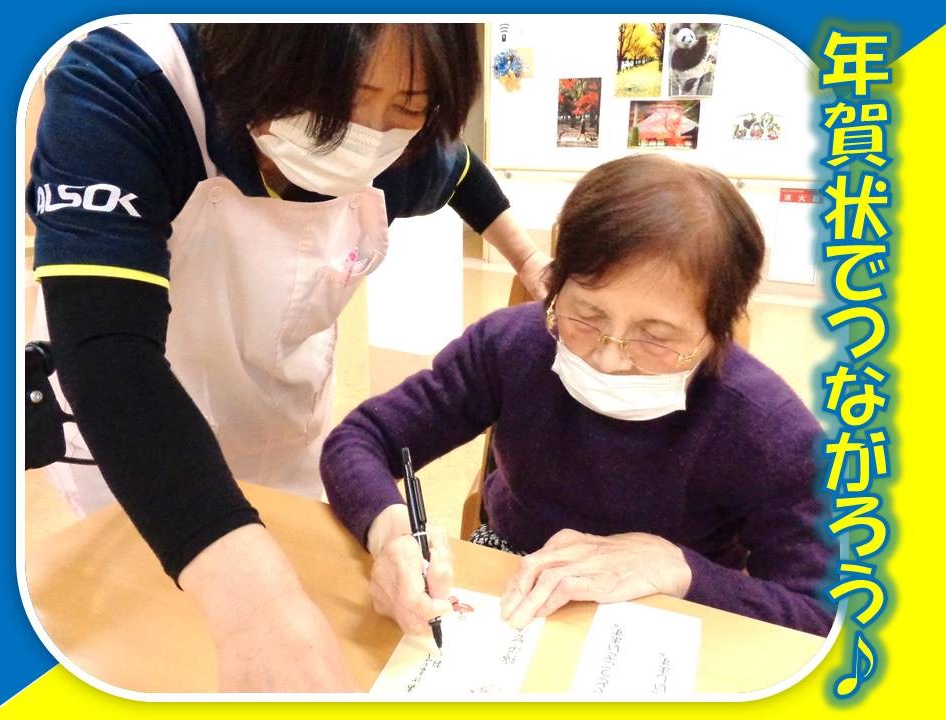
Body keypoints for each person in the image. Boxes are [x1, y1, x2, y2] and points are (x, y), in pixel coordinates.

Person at [27, 22, 549, 691]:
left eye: (408, 106)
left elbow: (461, 173)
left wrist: (529, 260)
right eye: (344, 99)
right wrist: (254, 607)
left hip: (279, 423)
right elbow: (110, 353)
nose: (367, 137)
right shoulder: (132, 82)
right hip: (140, 438)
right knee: (161, 643)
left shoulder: (402, 150)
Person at [321, 154, 836, 640]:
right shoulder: (512, 346)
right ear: (555, 285)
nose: (608, 358)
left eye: (656, 338)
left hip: (670, 606)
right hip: (511, 571)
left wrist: (680, 569)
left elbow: (823, 613)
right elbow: (361, 440)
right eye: (586, 316)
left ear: (717, 330)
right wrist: (391, 535)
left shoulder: (768, 428)